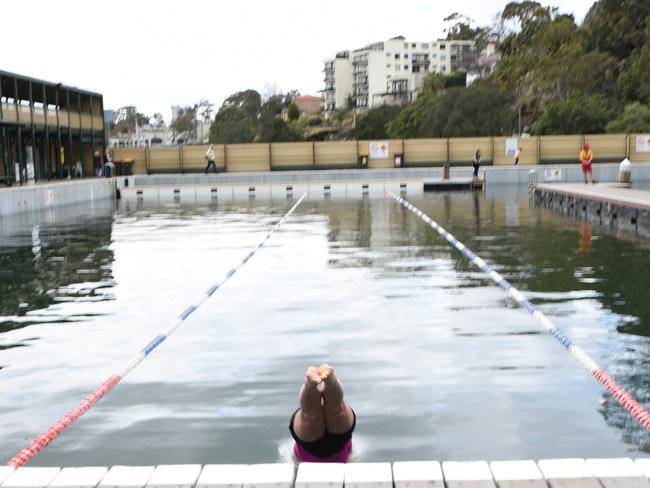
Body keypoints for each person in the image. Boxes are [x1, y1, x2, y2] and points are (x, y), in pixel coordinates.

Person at [289, 364, 355, 463]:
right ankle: (327, 382)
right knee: (335, 411)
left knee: (312, 418)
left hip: (319, 445)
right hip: (338, 443)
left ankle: (311, 385)